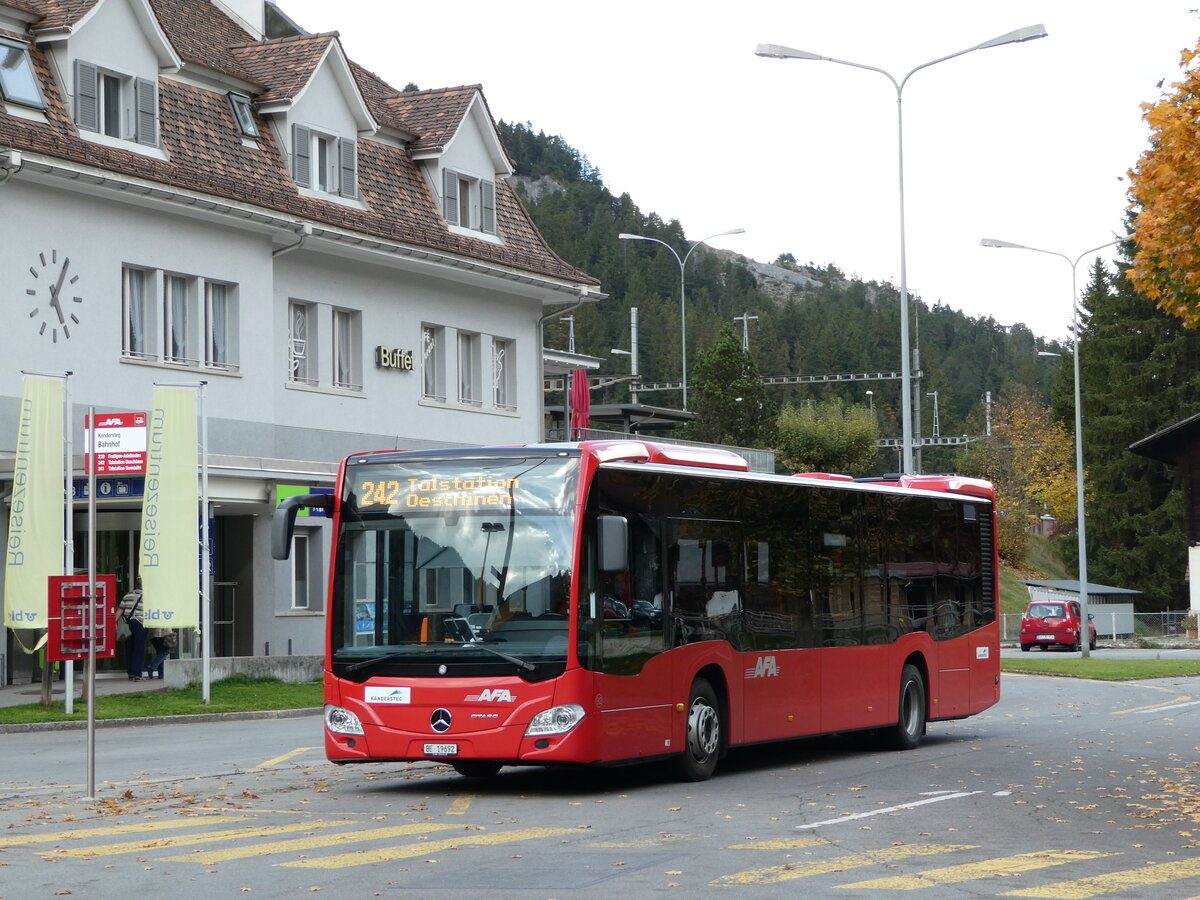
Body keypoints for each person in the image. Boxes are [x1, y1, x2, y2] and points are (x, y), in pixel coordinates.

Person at [118, 579, 147, 681]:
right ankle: (137, 674)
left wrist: (113, 624)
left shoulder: (128, 595)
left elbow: (120, 611)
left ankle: (130, 672)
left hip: (128, 623)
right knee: (139, 649)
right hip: (140, 623)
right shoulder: (148, 596)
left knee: (129, 648)